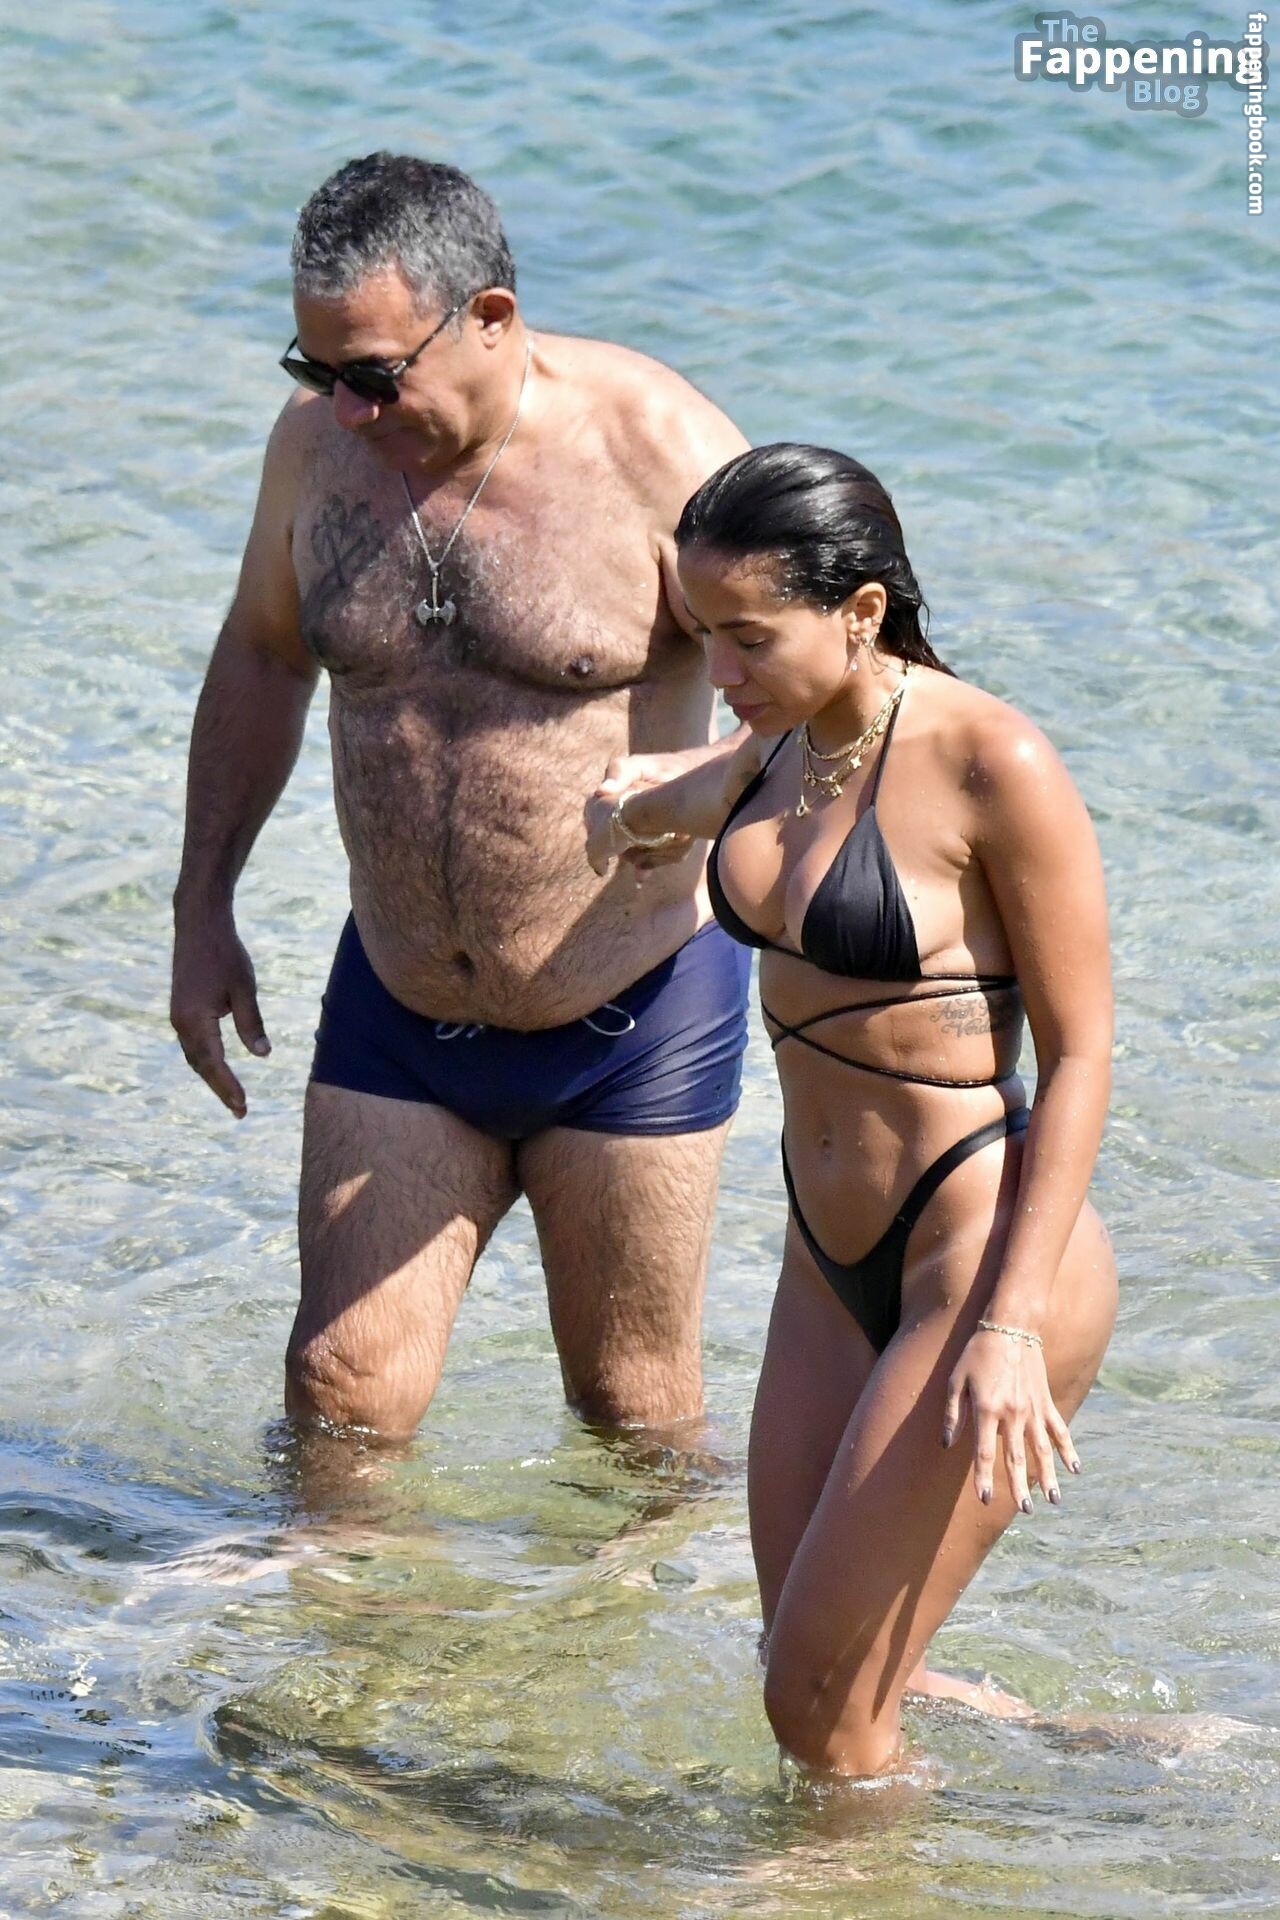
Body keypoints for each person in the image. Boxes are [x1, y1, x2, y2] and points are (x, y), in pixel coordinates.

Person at [170, 153, 753, 1444]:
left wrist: (703, 784)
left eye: (376, 375)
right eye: (317, 369)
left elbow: (842, 700)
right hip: (401, 1005)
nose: (347, 410)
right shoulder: (317, 451)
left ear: (489, 316)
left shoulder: (665, 453)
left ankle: (691, 1591)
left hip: (628, 1012)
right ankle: (342, 1599)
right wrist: (200, 910)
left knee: (635, 1416)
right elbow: (264, 657)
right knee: (339, 1397)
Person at [587, 444, 1118, 1778]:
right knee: (807, 1670)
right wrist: (622, 820)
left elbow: (1082, 1053)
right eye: (705, 632)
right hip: (826, 1262)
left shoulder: (991, 758)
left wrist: (1009, 1327)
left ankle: (852, 1873)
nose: (719, 669)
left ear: (862, 610)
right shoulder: (778, 747)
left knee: (815, 1710)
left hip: (982, 1257)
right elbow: (665, 805)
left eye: (749, 636)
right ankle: (1081, 1759)